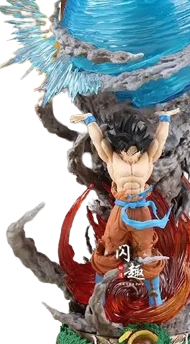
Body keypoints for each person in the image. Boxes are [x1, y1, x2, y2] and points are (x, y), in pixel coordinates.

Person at [70, 109, 180, 306]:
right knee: (109, 249)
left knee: (145, 252)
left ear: (140, 149)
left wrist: (165, 118)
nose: (130, 156)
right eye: (125, 152)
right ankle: (99, 298)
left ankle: (154, 298)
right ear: (119, 149)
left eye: (134, 152)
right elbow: (98, 141)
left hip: (141, 209)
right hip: (120, 210)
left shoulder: (147, 158)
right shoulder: (112, 158)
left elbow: (160, 140)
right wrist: (89, 120)